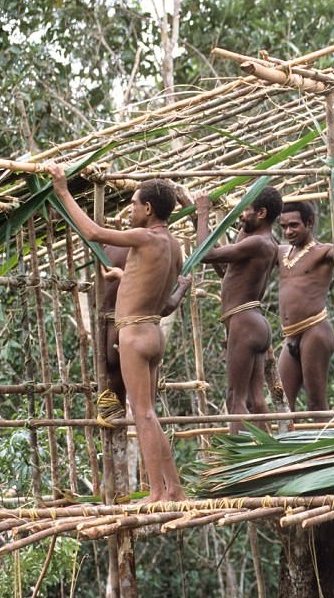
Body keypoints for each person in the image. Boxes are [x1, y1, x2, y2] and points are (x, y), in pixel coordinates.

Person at [45, 163, 186, 502]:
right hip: (152, 331)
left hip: (134, 336)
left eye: (134, 204)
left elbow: (93, 233)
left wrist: (62, 191)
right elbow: (161, 296)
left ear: (148, 209)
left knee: (143, 414)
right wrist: (125, 279)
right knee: (150, 413)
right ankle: (175, 490)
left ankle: (156, 493)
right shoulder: (175, 246)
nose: (130, 210)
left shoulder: (144, 237)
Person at [194, 186, 282, 434]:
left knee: (235, 399)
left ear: (262, 213)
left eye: (246, 209)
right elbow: (226, 269)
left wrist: (202, 213)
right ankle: (267, 459)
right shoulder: (264, 241)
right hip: (253, 321)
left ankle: (240, 466)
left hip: (244, 322)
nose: (241, 215)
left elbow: (205, 254)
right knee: (254, 399)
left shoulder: (258, 242)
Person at [96, 245, 190, 428]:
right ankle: (148, 456)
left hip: (109, 335)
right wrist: (182, 288)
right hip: (137, 333)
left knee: (114, 412)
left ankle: (117, 452)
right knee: (147, 414)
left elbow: (98, 299)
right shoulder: (154, 252)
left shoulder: (106, 251)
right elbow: (165, 307)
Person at [277, 201, 334, 414]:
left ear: (309, 223)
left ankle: (329, 448)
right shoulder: (281, 253)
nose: (288, 231)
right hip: (290, 335)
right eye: (283, 227)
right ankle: (288, 448)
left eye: (294, 225)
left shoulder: (325, 252)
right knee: (282, 404)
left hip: (315, 330)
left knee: (316, 403)